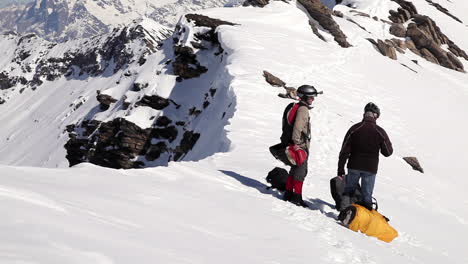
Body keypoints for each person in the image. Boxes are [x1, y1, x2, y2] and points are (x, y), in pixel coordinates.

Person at [337, 102, 393, 210]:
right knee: (367, 196)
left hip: (354, 165)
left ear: (364, 114)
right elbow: (388, 153)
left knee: (349, 191)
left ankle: (343, 213)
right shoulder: (380, 131)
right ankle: (364, 220)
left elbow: (344, 151)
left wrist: (340, 169)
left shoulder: (354, 128)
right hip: (370, 168)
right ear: (375, 116)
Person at [281, 85, 322, 207]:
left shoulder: (297, 106)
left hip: (294, 143)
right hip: (300, 145)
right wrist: (296, 144)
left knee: (294, 169)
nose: (313, 99)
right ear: (304, 97)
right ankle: (297, 197)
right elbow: (298, 127)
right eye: (311, 97)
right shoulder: (303, 109)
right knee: (301, 171)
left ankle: (288, 193)